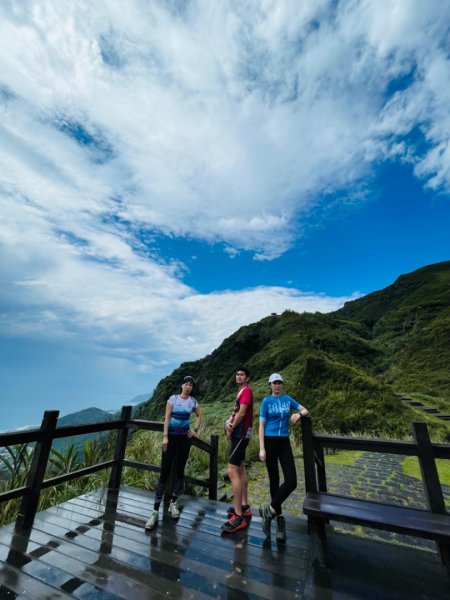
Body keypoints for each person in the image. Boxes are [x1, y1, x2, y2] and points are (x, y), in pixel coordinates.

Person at [145, 375, 201, 530]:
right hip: (170, 440)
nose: (188, 387)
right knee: (164, 472)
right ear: (182, 385)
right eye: (186, 384)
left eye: (191, 385)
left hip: (185, 440)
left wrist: (195, 430)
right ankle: (155, 511)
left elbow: (198, 416)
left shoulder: (193, 401)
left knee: (179, 472)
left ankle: (173, 503)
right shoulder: (173, 399)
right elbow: (167, 417)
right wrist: (165, 437)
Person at [258, 373, 309, 542]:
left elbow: (305, 409)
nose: (277, 385)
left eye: (280, 382)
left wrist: (299, 414)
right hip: (270, 441)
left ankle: (269, 511)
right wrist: (262, 448)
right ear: (270, 385)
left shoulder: (288, 399)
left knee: (291, 481)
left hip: (284, 442)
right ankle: (279, 519)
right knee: (274, 481)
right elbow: (261, 425)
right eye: (275, 383)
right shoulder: (266, 401)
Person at [221, 367, 254, 534]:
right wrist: (229, 423)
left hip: (240, 434)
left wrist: (230, 428)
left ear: (247, 378)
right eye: (237, 374)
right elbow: (235, 413)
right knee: (240, 468)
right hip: (241, 433)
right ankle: (244, 506)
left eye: (242, 374)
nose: (238, 376)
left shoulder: (246, 391)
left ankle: (238, 516)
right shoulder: (242, 391)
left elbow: (241, 413)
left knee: (232, 470)